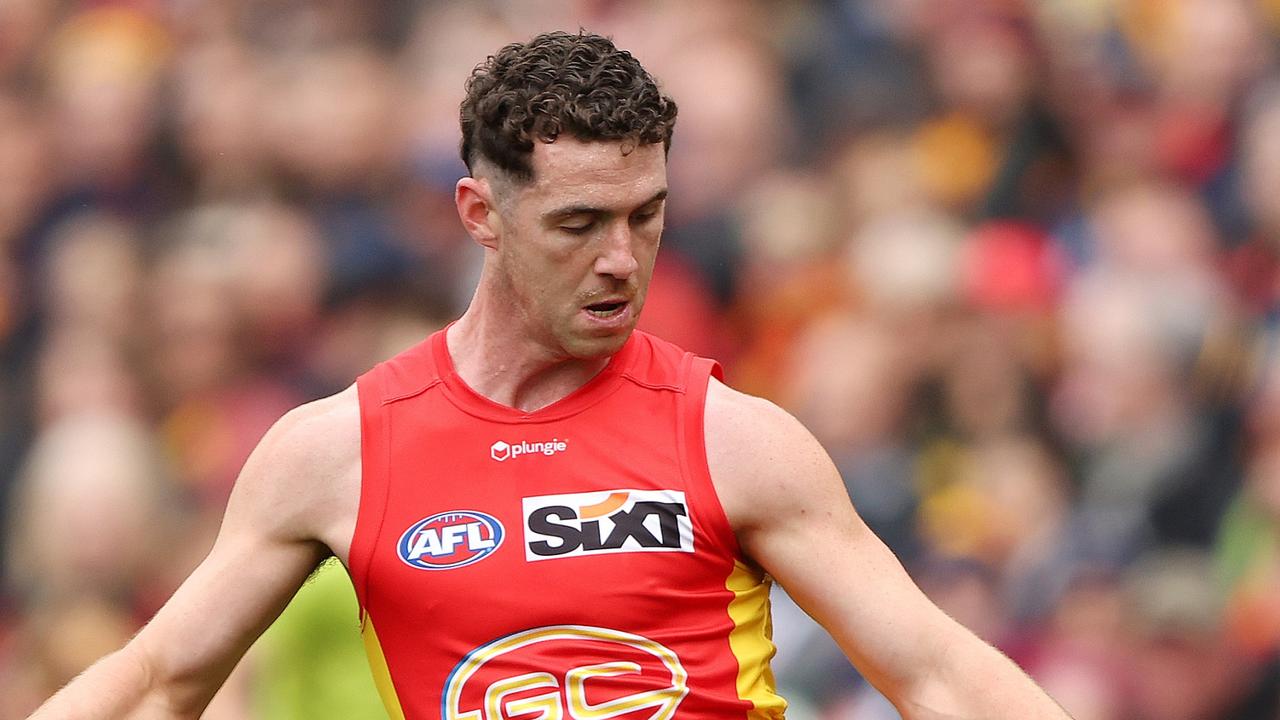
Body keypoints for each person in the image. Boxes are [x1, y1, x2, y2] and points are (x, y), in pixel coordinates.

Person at [30, 31, 1072, 720]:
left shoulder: (733, 438)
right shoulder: (337, 450)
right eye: (578, 223)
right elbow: (159, 680)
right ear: (479, 214)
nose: (621, 258)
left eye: (645, 216)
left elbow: (936, 673)